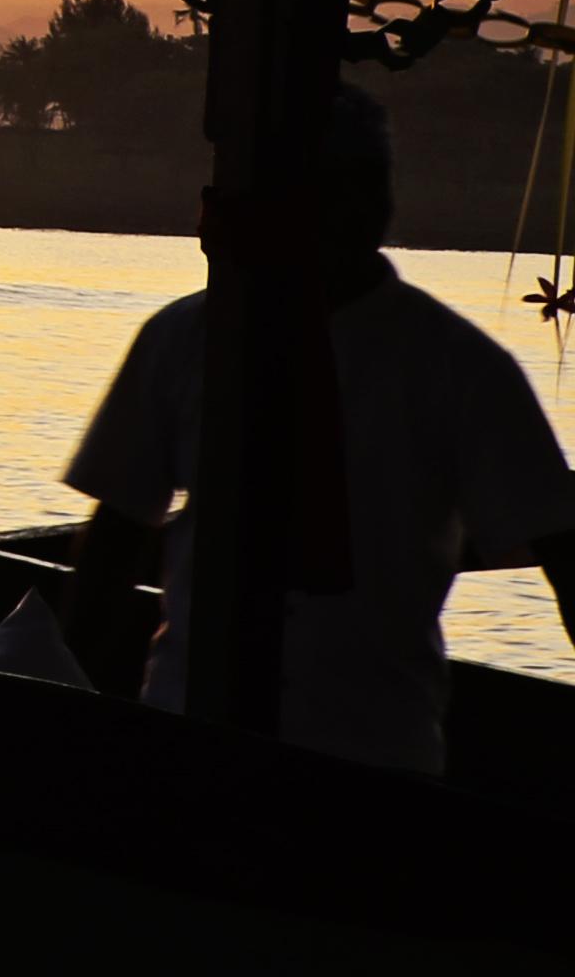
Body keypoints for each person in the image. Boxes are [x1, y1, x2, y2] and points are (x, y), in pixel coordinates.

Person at [57, 80, 575, 775]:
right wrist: (69, 716)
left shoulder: (460, 368)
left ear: (377, 204)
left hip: (371, 754)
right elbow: (113, 544)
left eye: (355, 190)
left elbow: (563, 552)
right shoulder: (182, 339)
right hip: (183, 735)